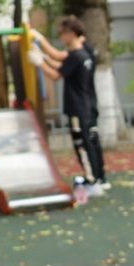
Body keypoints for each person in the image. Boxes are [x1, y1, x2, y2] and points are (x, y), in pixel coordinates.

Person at [30, 16, 109, 197]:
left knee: (83, 144)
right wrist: (43, 56)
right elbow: (61, 63)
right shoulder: (84, 53)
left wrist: (39, 62)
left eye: (62, 33)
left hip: (78, 108)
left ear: (71, 34)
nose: (61, 38)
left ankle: (91, 180)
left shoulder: (76, 55)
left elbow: (56, 74)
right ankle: (100, 177)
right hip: (89, 105)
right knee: (92, 141)